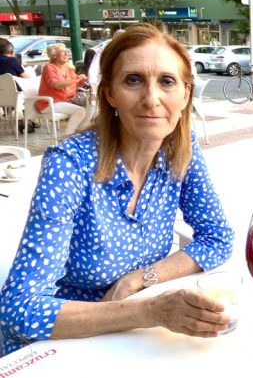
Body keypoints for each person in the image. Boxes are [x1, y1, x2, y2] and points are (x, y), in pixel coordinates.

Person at [0, 24, 236, 355]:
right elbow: (19, 310)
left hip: (134, 337)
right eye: (133, 80)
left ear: (185, 94)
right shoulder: (70, 164)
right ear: (110, 93)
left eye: (167, 81)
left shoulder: (180, 150)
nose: (151, 99)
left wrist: (140, 278)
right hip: (60, 344)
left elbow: (218, 238)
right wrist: (150, 311)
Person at [34, 43, 95, 135]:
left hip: (65, 101)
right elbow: (56, 85)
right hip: (49, 103)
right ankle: (67, 136)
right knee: (80, 111)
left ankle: (79, 132)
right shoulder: (49, 67)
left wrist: (84, 81)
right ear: (54, 55)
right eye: (63, 52)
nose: (67, 54)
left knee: (91, 106)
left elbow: (75, 83)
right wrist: (77, 79)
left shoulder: (67, 67)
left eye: (67, 52)